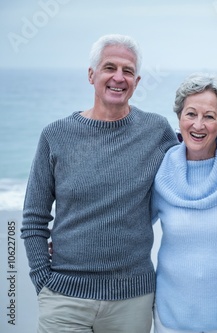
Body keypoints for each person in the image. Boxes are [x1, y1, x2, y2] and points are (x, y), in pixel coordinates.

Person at [20, 34, 179, 332]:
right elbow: (33, 218)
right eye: (109, 68)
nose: (118, 77)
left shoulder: (156, 131)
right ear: (91, 75)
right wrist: (43, 279)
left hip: (132, 300)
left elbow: (193, 159)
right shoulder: (56, 135)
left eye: (128, 71)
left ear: (137, 81)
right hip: (64, 299)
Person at [151, 72, 217, 333]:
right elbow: (129, 224)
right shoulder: (160, 173)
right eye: (191, 114)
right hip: (172, 319)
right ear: (179, 118)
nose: (198, 125)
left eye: (209, 116)